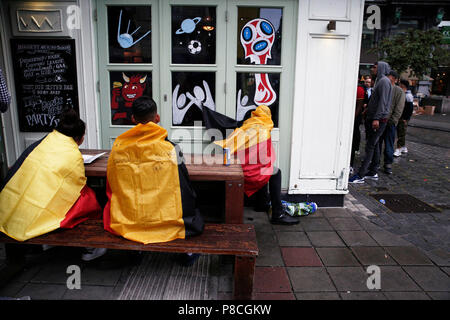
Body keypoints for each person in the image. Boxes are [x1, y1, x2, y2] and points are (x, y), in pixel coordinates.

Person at [103, 96, 204, 247]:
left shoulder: (119, 147)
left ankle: (137, 250)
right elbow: (183, 187)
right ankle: (188, 253)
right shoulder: (171, 148)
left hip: (130, 218)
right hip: (165, 219)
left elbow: (112, 182)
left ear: (132, 118)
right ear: (157, 117)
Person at [0, 109, 101, 243]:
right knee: (89, 198)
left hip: (9, 210)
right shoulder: (72, 154)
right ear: (79, 137)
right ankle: (91, 246)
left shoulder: (43, 143)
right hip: (36, 213)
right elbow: (77, 185)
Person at [208, 105, 299, 225]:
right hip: (248, 170)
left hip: (238, 166)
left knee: (266, 170)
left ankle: (262, 204)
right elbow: (265, 158)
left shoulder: (247, 125)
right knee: (274, 172)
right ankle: (278, 213)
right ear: (268, 116)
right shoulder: (264, 128)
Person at [349, 61, 393, 183]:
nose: (372, 69)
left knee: (370, 146)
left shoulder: (383, 81)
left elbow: (383, 102)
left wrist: (376, 118)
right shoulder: (380, 80)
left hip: (378, 119)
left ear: (381, 68)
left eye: (374, 67)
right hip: (375, 117)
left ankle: (361, 175)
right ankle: (373, 171)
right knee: (374, 145)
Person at [379, 71, 405, 174]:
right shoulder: (386, 88)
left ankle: (387, 164)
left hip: (389, 122)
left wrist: (393, 120)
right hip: (382, 120)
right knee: (379, 143)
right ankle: (379, 163)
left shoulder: (398, 91)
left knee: (388, 144)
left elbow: (399, 108)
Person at [394, 80, 414, 157]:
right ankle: (403, 147)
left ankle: (399, 148)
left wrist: (405, 118)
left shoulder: (408, 95)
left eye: (400, 84)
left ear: (403, 85)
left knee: (401, 132)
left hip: (403, 117)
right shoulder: (404, 94)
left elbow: (410, 108)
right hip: (401, 116)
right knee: (401, 132)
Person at [350, 82, 366, 172]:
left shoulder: (359, 89)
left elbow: (359, 106)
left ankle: (350, 164)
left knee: (353, 139)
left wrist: (353, 118)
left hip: (354, 119)